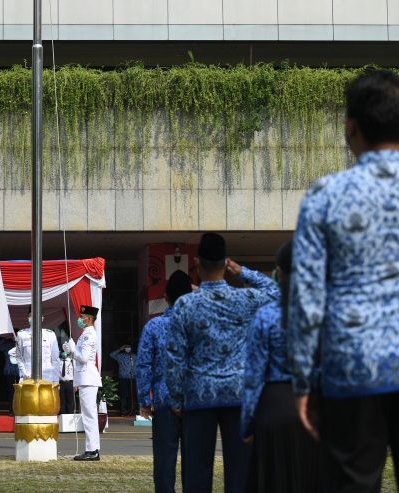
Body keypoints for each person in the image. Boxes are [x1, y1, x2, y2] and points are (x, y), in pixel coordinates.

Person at [289, 70, 399, 491]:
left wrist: (303, 379)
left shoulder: (326, 195)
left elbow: (307, 297)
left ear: (350, 127)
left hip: (353, 366)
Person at [165, 233, 279, 493]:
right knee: (240, 475)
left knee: (196, 474)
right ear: (225, 262)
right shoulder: (244, 299)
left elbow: (175, 355)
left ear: (197, 263)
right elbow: (276, 293)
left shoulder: (185, 304)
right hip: (239, 395)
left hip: (198, 395)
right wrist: (243, 272)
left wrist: (176, 398)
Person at [241, 243, 321, 492]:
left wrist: (247, 423)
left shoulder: (266, 316)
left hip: (274, 405)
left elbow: (253, 376)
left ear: (280, 273)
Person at [137, 270, 192, 493]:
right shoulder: (199, 325)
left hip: (164, 399)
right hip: (195, 401)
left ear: (166, 296)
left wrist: (144, 399)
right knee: (194, 462)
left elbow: (143, 365)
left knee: (164, 461)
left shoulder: (154, 326)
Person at [70, 305, 102, 461]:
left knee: (89, 416)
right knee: (89, 415)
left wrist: (72, 351)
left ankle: (92, 450)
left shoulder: (89, 335)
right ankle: (93, 449)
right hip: (84, 378)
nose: (80, 319)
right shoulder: (85, 334)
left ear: (89, 318)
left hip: (88, 378)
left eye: (82, 317)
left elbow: (83, 357)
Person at [15, 310, 60, 383]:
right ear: (28, 318)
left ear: (42, 318)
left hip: (47, 377)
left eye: (36, 315)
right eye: (30, 315)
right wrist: (24, 374)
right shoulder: (22, 334)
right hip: (28, 376)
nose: (33, 318)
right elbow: (19, 357)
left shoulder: (50, 334)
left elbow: (55, 359)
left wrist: (56, 380)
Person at [0, 334, 19, 413]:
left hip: (20, 372)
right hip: (9, 371)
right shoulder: (7, 345)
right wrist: (6, 338)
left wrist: (18, 339)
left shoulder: (21, 344)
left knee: (20, 391)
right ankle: (11, 409)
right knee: (11, 392)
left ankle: (20, 409)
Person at [110, 343, 136, 416]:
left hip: (132, 378)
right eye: (126, 347)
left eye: (129, 347)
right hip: (123, 378)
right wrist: (120, 349)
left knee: (132, 395)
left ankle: (132, 411)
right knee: (124, 395)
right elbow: (111, 355)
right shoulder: (120, 356)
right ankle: (123, 412)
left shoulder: (134, 356)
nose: (128, 348)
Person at [59, 341, 76, 414]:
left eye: (65, 351)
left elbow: (75, 372)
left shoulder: (72, 361)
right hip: (61, 383)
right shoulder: (58, 361)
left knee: (70, 401)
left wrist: (75, 384)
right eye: (63, 351)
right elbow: (56, 373)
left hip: (70, 383)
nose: (64, 353)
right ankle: (63, 417)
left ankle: (70, 415)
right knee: (62, 401)